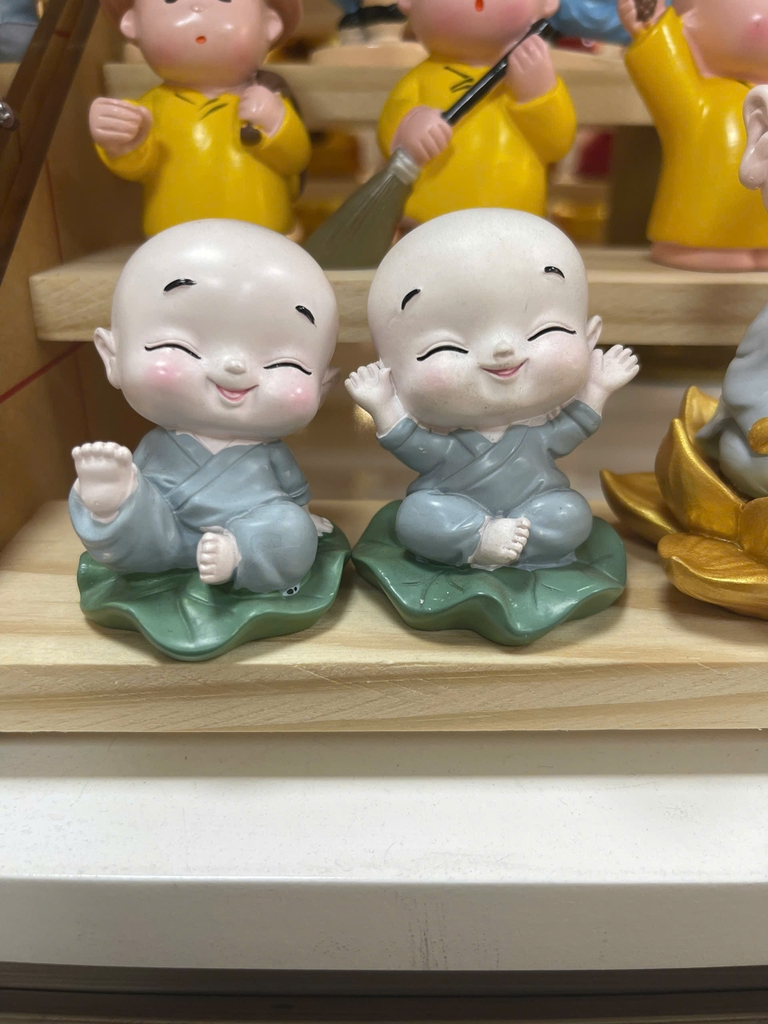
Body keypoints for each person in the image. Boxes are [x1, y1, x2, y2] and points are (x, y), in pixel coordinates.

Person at [346, 208, 638, 569]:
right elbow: (412, 445)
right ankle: (480, 541)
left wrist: (598, 386)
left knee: (571, 511)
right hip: (457, 507)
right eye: (445, 347)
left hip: (536, 506)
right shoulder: (452, 448)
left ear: (589, 337)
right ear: (391, 368)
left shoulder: (536, 437)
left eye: (544, 330)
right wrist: (382, 405)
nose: (502, 350)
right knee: (417, 515)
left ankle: (516, 547)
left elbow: (573, 427)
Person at [70, 219, 339, 595]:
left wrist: (303, 521)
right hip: (164, 528)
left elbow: (294, 497)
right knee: (138, 501)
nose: (235, 367)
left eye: (285, 363)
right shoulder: (158, 446)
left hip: (248, 530)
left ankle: (237, 558)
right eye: (179, 345)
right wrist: (130, 495)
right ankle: (113, 502)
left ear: (322, 386)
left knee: (290, 529)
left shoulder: (270, 453)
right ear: (112, 356)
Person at [90, 0, 311, 237]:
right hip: (174, 237)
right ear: (133, 23)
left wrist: (275, 124)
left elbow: (296, 159)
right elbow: (135, 168)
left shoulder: (270, 102)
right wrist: (123, 142)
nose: (198, 6)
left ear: (270, 24)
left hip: (263, 235)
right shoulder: (148, 110)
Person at [376, 0, 577, 225]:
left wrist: (537, 95)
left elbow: (557, 144)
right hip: (428, 223)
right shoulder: (418, 82)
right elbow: (390, 131)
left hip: (514, 222)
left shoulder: (536, 80)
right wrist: (408, 129)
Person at [620, 0, 768, 270]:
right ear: (689, 21)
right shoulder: (698, 97)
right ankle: (701, 243)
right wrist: (653, 27)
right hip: (702, 229)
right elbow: (666, 70)